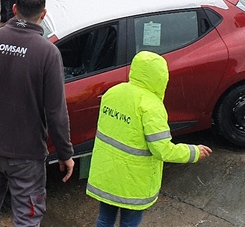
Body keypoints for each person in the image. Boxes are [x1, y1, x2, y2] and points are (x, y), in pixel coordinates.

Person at [0, 0, 74, 226]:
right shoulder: (48, 53)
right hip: (26, 153)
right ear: (43, 14)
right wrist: (65, 153)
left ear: (14, 9)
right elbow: (56, 112)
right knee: (27, 214)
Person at [86, 51, 212, 227]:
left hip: (106, 175)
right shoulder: (152, 107)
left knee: (104, 220)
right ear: (161, 77)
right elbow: (162, 150)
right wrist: (193, 152)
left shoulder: (113, 93)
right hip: (133, 183)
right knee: (129, 224)